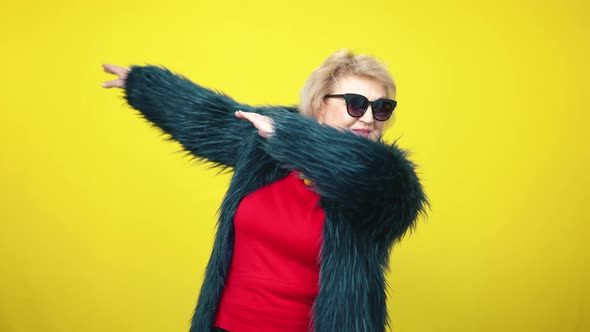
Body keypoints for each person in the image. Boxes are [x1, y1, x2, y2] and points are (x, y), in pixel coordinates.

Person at [102, 49, 428, 332]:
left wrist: (292, 138)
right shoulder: (266, 144)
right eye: (356, 104)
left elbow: (368, 176)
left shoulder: (386, 181)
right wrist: (143, 83)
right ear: (318, 107)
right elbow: (209, 119)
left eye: (382, 107)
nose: (370, 118)